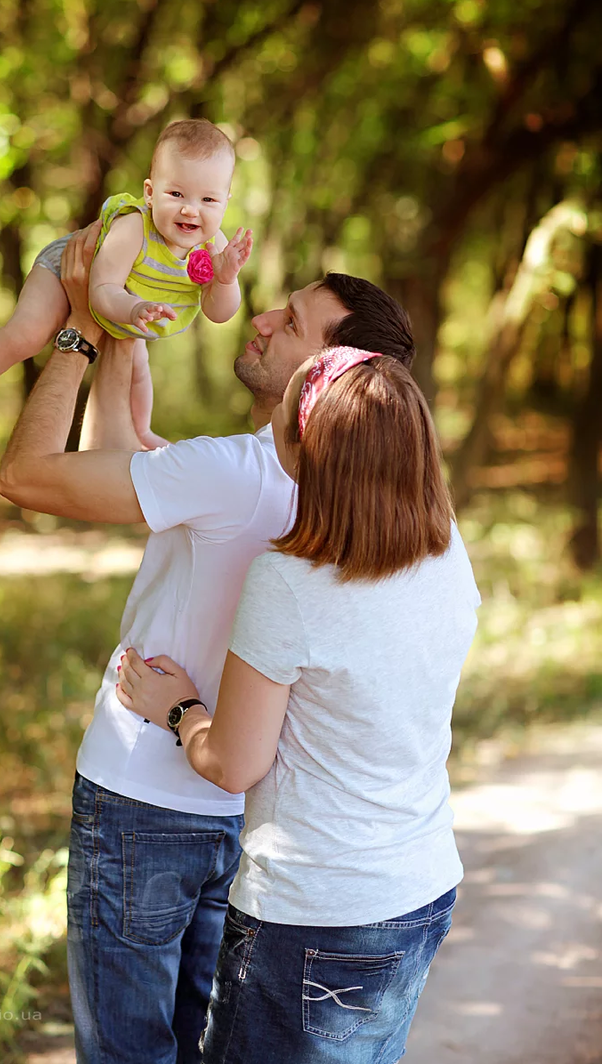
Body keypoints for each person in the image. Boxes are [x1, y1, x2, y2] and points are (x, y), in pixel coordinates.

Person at [0, 225, 416, 1064]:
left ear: (323, 372)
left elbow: (27, 477)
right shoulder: (376, 504)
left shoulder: (229, 471)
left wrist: (78, 328)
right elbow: (119, 467)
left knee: (128, 1053)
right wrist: (128, 340)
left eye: (290, 322)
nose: (259, 317)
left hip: (144, 798)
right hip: (255, 813)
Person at [117, 345, 481, 1064]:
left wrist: (182, 707)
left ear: (298, 454)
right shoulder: (446, 552)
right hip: (423, 884)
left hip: (317, 915)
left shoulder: (288, 583)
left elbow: (232, 763)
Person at [0, 119, 252, 448]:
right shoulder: (133, 229)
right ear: (149, 193)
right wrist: (135, 308)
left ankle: (141, 429)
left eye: (208, 200)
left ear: (226, 202)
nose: (190, 209)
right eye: (176, 194)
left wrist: (226, 279)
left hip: (131, 304)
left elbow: (218, 312)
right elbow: (103, 291)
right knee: (29, 334)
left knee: (139, 369)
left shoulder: (215, 248)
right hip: (71, 272)